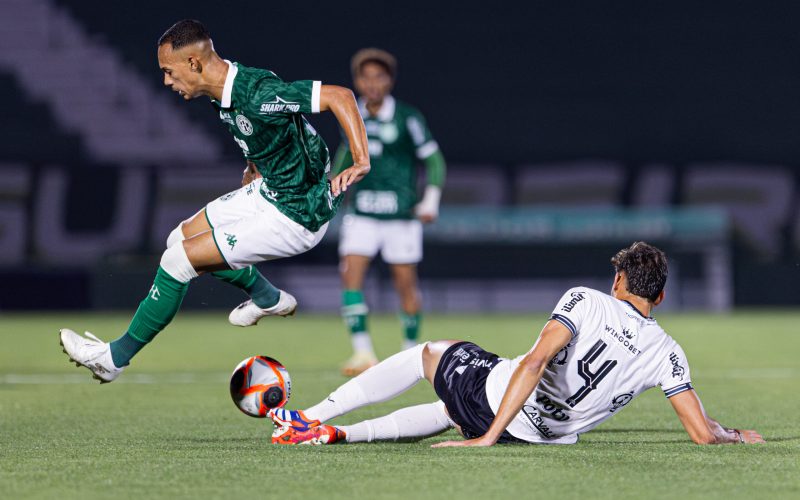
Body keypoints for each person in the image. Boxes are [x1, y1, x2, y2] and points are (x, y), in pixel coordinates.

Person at [58, 19, 370, 383]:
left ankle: (114, 358)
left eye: (168, 72)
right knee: (178, 239)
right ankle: (267, 297)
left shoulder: (256, 92)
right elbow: (270, 129)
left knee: (178, 261)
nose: (166, 82)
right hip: (270, 188)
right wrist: (255, 163)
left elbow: (340, 96)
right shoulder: (223, 89)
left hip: (296, 214)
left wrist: (361, 159)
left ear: (193, 63)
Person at [267, 242, 765, 446]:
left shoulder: (586, 300)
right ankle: (338, 437)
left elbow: (535, 362)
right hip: (541, 435)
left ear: (618, 280)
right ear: (660, 294)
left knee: (431, 353)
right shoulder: (668, 351)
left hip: (500, 403)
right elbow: (701, 432)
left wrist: (486, 438)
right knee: (449, 410)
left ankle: (312, 414)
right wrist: (737, 435)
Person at [333, 48, 447, 376]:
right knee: (350, 277)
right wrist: (330, 192)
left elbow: (434, 159)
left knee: (405, 285)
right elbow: (345, 156)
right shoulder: (351, 113)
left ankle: (410, 354)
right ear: (357, 81)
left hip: (401, 217)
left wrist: (431, 200)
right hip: (363, 215)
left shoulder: (407, 117)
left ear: (390, 80)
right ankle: (362, 353)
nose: (372, 84)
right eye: (366, 77)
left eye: (379, 77)